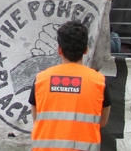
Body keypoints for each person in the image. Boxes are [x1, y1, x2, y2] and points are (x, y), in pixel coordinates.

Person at [30, 20, 109, 150]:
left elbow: (37, 118)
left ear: (59, 49)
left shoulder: (41, 79)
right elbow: (103, 121)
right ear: (86, 50)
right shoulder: (98, 81)